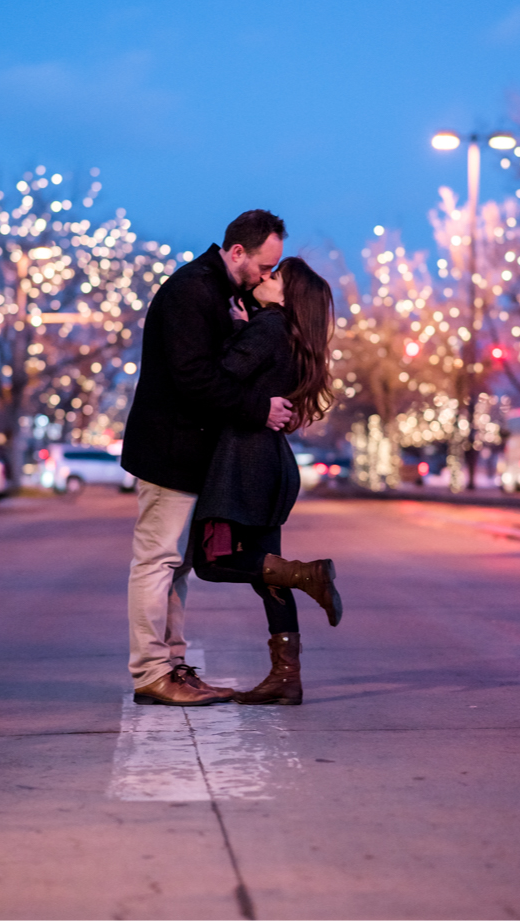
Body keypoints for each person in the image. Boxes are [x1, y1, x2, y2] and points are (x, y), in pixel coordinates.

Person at [120, 209, 295, 706]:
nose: (265, 276)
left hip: (192, 454)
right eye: (264, 266)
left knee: (175, 567)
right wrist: (259, 409)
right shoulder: (192, 291)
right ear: (237, 251)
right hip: (169, 451)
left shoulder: (223, 292)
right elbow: (194, 378)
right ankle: (151, 672)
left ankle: (172, 667)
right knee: (157, 562)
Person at [190, 256, 343, 705]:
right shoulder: (295, 338)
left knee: (211, 563)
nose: (264, 277)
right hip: (270, 463)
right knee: (266, 572)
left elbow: (217, 376)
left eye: (275, 276)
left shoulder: (269, 327)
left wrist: (236, 329)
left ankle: (307, 574)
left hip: (242, 462)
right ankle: (286, 677)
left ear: (286, 296)